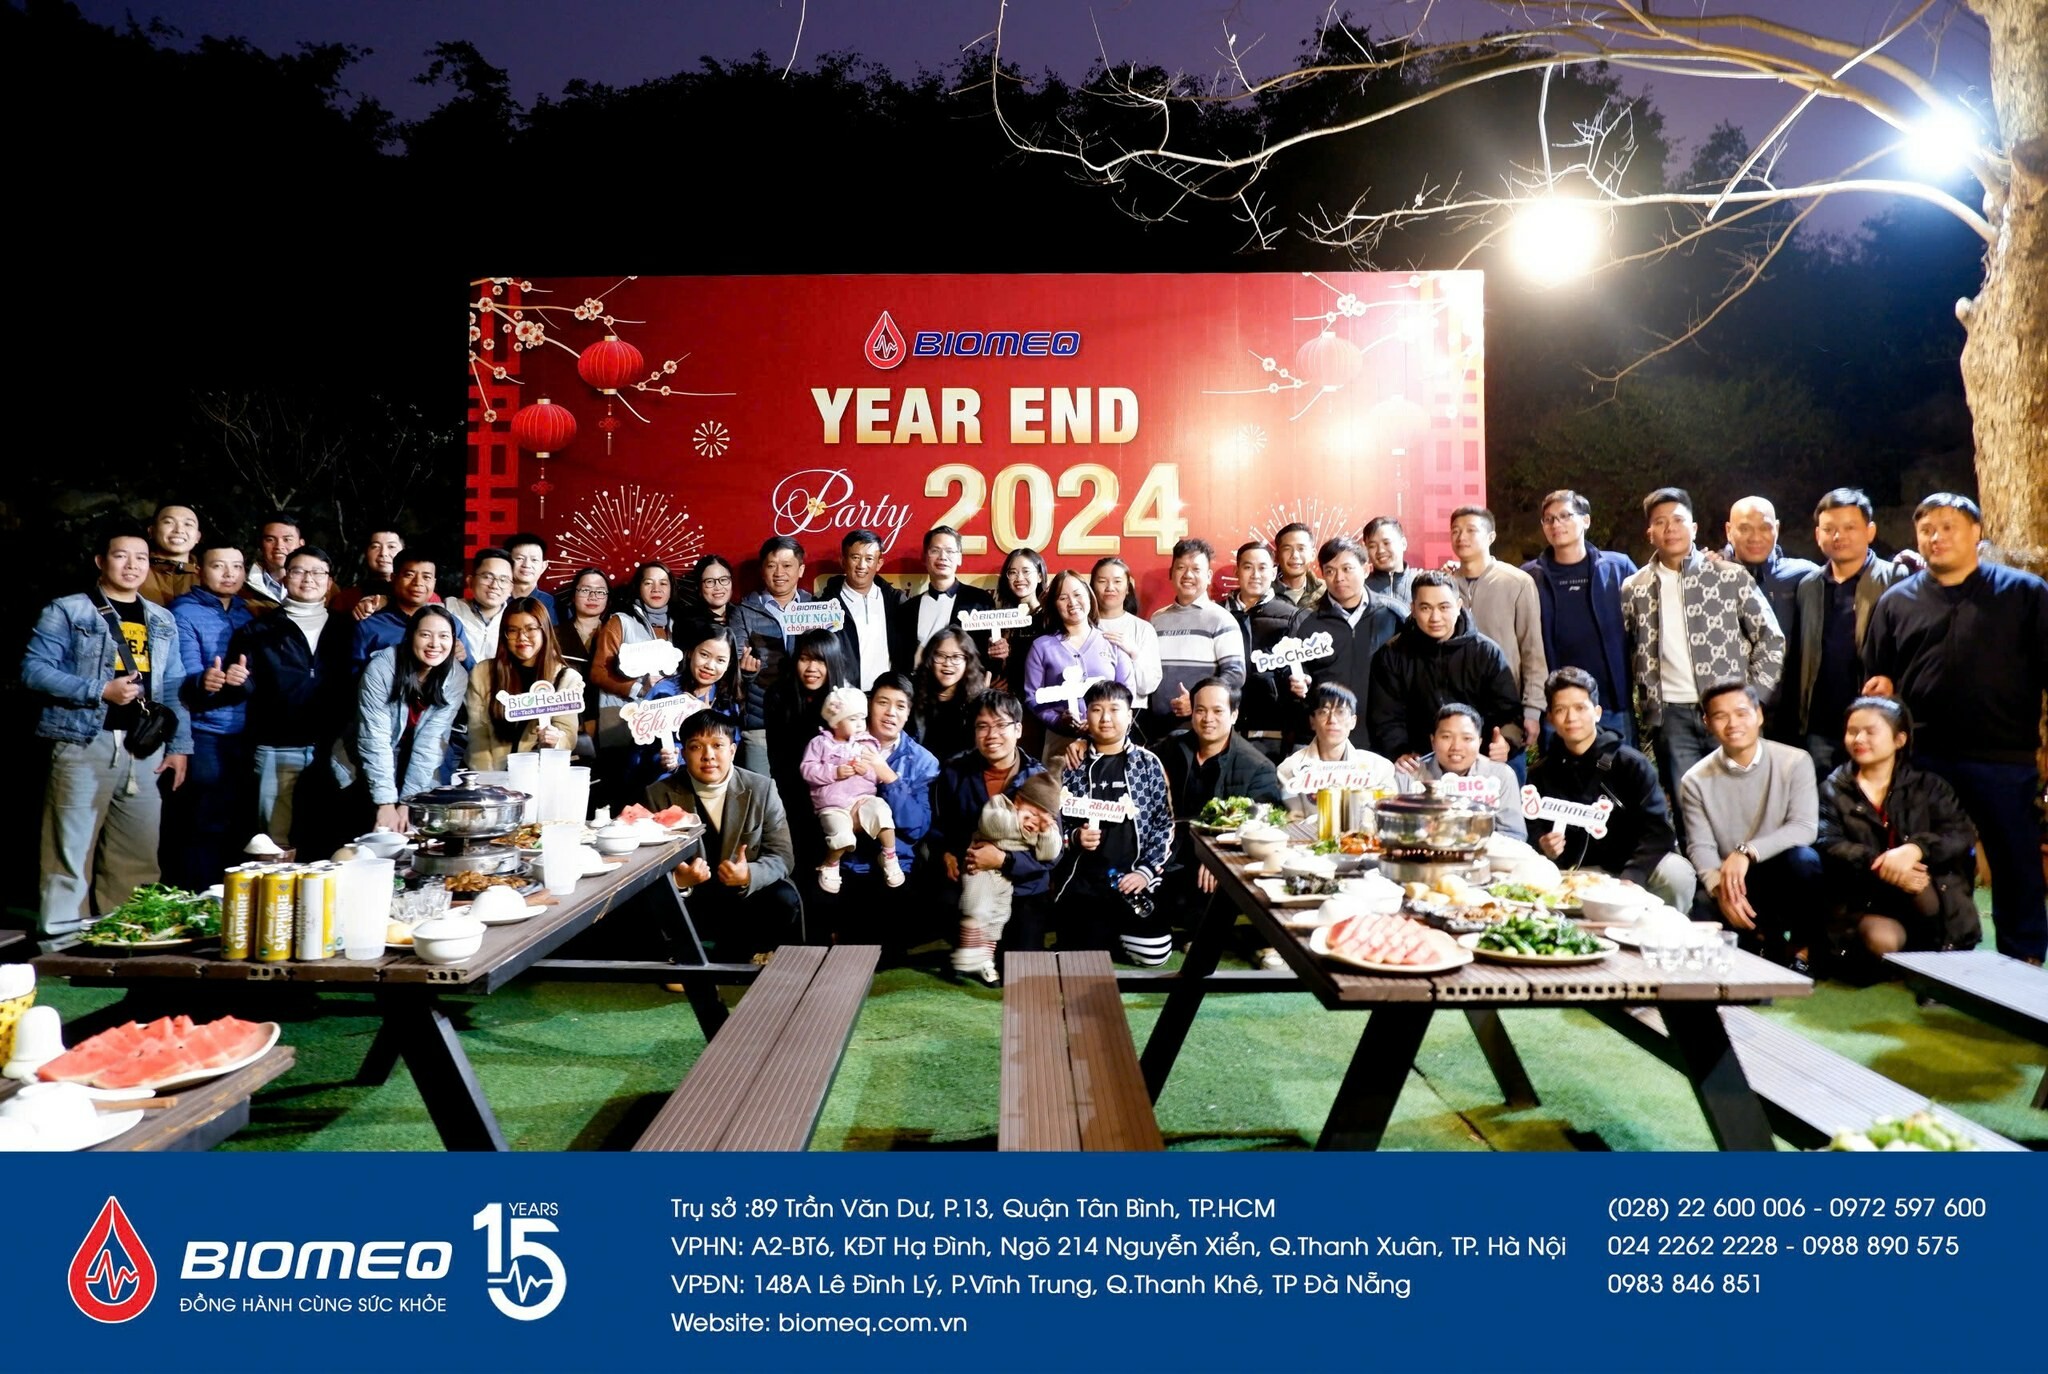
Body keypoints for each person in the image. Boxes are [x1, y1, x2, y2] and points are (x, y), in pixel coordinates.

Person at [1864, 492, 2047, 963]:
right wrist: (1883, 689)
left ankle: (2023, 957)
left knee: (2015, 858)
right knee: (1936, 861)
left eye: (1949, 527)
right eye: (1927, 529)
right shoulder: (1896, 601)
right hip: (1925, 757)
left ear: (1976, 533)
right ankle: (1945, 958)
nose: (1936, 537)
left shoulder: (2024, 593)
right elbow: (1878, 678)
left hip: (2002, 753)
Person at [24, 526, 192, 936]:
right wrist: (100, 690)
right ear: (101, 561)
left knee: (137, 852)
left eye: (141, 558)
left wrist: (179, 746)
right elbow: (34, 670)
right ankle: (63, 942)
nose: (132, 565)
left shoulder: (161, 618)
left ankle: (126, 938)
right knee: (70, 849)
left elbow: (173, 685)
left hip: (144, 748)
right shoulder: (68, 610)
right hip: (83, 741)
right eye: (121, 556)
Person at [1620, 487, 1786, 830]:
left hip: (1729, 709)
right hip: (1671, 716)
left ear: (1693, 528)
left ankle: (1747, 863)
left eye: (1678, 520)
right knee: (1687, 805)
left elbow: (1771, 639)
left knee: (1743, 800)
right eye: (1660, 522)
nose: (1670, 528)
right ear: (1650, 533)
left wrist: (1754, 698)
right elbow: (1627, 648)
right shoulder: (1634, 588)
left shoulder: (1729, 576)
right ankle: (1699, 865)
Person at [1817, 696, 1982, 960]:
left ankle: (1936, 951)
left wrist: (1915, 849)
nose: (1859, 739)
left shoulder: (1930, 787)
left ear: (1899, 739)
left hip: (1927, 893)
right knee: (1882, 941)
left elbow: (1960, 834)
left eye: (1870, 732)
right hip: (1866, 898)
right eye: (1852, 731)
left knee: (1921, 886)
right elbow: (1828, 842)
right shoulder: (1831, 789)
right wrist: (1884, 864)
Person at [1678, 682, 1824, 967]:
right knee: (1703, 912)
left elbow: (1804, 828)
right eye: (1720, 716)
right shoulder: (1695, 780)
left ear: (1759, 715)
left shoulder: (1795, 762)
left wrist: (1746, 852)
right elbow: (1700, 846)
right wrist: (1720, 889)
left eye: (1741, 713)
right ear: (1707, 723)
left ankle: (1802, 951)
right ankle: (1762, 942)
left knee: (1804, 860)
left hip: (1782, 872)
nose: (1733, 723)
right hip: (1735, 882)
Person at [1526, 668, 1696, 912]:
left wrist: (1632, 876)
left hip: (1629, 870)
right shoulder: (1540, 773)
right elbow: (1531, 828)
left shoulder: (1631, 764)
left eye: (1580, 708)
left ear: (1597, 712)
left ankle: (1667, 932)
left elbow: (1659, 831)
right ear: (1550, 718)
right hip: (1574, 874)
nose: (1571, 718)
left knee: (1676, 873)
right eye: (1561, 710)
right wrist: (1544, 844)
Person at [648, 712, 804, 958]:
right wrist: (678, 882)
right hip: (694, 897)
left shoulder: (762, 788)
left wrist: (749, 874)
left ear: (732, 750)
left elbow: (782, 857)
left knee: (783, 897)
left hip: (744, 895)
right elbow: (646, 866)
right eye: (696, 747)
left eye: (718, 745)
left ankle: (754, 957)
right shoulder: (658, 794)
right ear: (683, 753)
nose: (708, 755)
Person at [229, 545, 352, 847]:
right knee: (274, 842)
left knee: (331, 840)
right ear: (285, 578)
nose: (308, 579)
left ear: (329, 581)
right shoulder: (257, 630)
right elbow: (243, 687)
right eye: (299, 571)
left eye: (318, 572)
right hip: (277, 747)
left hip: (334, 751)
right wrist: (236, 682)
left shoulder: (347, 628)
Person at [320, 604, 461, 851]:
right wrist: (385, 803)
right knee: (363, 844)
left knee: (414, 839)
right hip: (364, 764)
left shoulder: (455, 676)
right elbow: (374, 738)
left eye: (443, 636)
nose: (434, 644)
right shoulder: (383, 668)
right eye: (425, 635)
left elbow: (431, 742)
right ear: (410, 636)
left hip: (414, 763)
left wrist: (410, 801)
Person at [1790, 489, 1910, 776]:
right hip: (1820, 726)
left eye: (1849, 527)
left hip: (1875, 721)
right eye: (1829, 529)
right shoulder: (1808, 586)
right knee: (1825, 799)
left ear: (1870, 531)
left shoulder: (1896, 579)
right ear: (1817, 534)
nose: (1838, 536)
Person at [1054, 681, 1174, 965]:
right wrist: (1074, 837)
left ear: (1130, 715)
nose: (1105, 718)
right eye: (1096, 710)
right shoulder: (1071, 764)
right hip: (1085, 880)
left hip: (1134, 878)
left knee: (1153, 954)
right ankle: (1100, 934)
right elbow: (1052, 824)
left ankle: (1113, 934)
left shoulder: (1148, 764)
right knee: (1080, 957)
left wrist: (1145, 872)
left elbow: (1164, 823)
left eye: (1114, 709)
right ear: (1087, 715)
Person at [930, 692, 1053, 967]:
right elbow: (940, 825)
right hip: (971, 878)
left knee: (1021, 967)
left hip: (1024, 886)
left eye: (1000, 725)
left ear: (1018, 729)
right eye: (982, 726)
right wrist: (946, 854)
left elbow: (1053, 854)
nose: (991, 735)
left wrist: (1004, 860)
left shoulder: (1039, 779)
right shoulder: (955, 771)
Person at [165, 539, 254, 888]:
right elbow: (181, 675)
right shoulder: (183, 612)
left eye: (237, 566)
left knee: (237, 823)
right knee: (202, 823)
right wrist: (205, 680)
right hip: (203, 732)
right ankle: (198, 897)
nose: (229, 573)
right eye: (219, 566)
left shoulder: (247, 611)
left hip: (243, 732)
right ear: (199, 570)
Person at [1367, 572, 1521, 769]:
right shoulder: (1391, 655)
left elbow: (1509, 711)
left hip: (1478, 763)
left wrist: (1505, 741)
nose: (1435, 617)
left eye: (1444, 607)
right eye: (1425, 608)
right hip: (1417, 765)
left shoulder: (1486, 652)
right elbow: (1385, 717)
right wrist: (1399, 751)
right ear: (1413, 609)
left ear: (1458, 606)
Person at [1522, 489, 1637, 745]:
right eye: (1549, 519)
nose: (1556, 524)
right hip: (1558, 708)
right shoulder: (1529, 577)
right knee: (1562, 771)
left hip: (1612, 702)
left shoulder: (1617, 568)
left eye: (1565, 516)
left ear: (1586, 520)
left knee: (1616, 769)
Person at [1444, 506, 1545, 777]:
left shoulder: (1517, 582)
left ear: (1491, 536)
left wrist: (1532, 711)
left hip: (1505, 716)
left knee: (1505, 792)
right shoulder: (1444, 586)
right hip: (1454, 720)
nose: (1461, 537)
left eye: (1471, 530)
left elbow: (1532, 651)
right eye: (1455, 531)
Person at [835, 673, 940, 925]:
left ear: (908, 712)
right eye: (883, 702)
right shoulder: (839, 745)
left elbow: (916, 828)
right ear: (869, 705)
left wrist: (889, 777)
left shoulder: (924, 761)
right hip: (846, 860)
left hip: (896, 865)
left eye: (900, 706)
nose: (891, 712)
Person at [1286, 536, 1401, 749]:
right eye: (1330, 571)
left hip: (1381, 740)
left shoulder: (1393, 614)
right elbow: (1291, 670)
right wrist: (1297, 682)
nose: (1339, 578)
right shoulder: (1305, 619)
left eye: (1347, 569)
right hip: (1323, 739)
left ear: (1365, 570)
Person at [953, 772, 1063, 984]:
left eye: (1042, 819)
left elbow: (1049, 855)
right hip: (982, 870)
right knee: (978, 907)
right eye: (1031, 813)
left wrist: (1046, 831)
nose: (1034, 822)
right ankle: (968, 953)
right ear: (1018, 801)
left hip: (1009, 880)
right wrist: (1021, 822)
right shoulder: (1001, 805)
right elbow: (992, 827)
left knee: (999, 916)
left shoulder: (1046, 823)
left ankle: (984, 960)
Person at [798, 686, 905, 894]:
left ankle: (889, 855)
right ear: (836, 722)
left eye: (862, 719)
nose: (860, 725)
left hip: (863, 799)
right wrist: (835, 772)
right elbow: (807, 770)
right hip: (833, 805)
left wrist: (866, 771)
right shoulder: (819, 744)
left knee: (882, 813)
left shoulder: (867, 744)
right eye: (853, 719)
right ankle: (831, 863)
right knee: (841, 836)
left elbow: (876, 777)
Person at [1021, 570, 1134, 767]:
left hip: (1109, 740)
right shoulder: (1041, 647)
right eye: (1063, 598)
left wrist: (1099, 721)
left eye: (1077, 594)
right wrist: (1058, 721)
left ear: (1089, 596)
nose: (1072, 602)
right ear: (1055, 605)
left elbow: (1127, 692)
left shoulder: (1112, 642)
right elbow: (1032, 696)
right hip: (1060, 745)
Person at [1722, 496, 1818, 726]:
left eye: (1765, 528)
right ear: (1729, 531)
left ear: (1777, 528)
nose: (1756, 537)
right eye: (1745, 528)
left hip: (1791, 713)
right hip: (1731, 714)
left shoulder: (1804, 575)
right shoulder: (1711, 578)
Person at [463, 596, 583, 770]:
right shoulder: (483, 673)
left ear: (544, 630)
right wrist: (489, 779)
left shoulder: (567, 678)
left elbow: (568, 735)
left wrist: (555, 741)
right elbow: (477, 735)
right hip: (492, 776)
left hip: (539, 774)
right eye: (513, 630)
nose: (522, 637)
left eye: (530, 629)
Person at [733, 536, 819, 777]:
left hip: (807, 720)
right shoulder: (744, 611)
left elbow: (827, 656)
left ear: (800, 570)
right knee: (762, 791)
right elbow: (735, 664)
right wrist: (747, 672)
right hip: (761, 722)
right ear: (762, 570)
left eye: (787, 565)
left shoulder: (816, 607)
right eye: (772, 566)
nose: (779, 573)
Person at [1147, 538, 1246, 741]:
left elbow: (1235, 674)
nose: (1188, 575)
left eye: (1196, 569)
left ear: (1208, 576)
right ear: (1171, 574)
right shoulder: (1157, 619)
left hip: (1202, 729)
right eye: (1181, 568)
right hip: (1157, 730)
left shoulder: (1221, 619)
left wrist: (1196, 700)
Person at [589, 560, 675, 777]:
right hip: (622, 722)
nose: (656, 589)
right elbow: (598, 672)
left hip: (664, 723)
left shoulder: (677, 625)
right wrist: (639, 688)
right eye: (648, 583)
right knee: (624, 786)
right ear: (638, 587)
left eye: (663, 583)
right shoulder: (620, 622)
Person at [1395, 704, 1526, 841]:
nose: (1456, 747)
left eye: (1467, 738)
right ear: (1433, 741)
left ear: (1479, 742)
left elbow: (1514, 834)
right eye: (1446, 737)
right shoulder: (1409, 774)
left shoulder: (1500, 776)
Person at [1225, 540, 1301, 762]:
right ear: (1237, 571)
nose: (1255, 575)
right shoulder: (1218, 614)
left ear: (1274, 572)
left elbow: (1302, 669)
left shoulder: (1291, 616)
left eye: (1262, 567)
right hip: (1223, 726)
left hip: (1272, 733)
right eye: (1248, 567)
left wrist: (1301, 682)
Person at [1278, 684, 1399, 815]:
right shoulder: (1289, 770)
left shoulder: (1379, 769)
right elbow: (1294, 820)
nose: (1332, 720)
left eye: (1340, 712)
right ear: (1312, 721)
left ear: (1353, 721)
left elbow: (1388, 817)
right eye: (1323, 712)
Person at [890, 525, 994, 671]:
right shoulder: (908, 609)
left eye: (950, 551)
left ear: (959, 558)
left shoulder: (980, 601)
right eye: (935, 550)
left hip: (965, 683)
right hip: (918, 683)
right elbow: (900, 659)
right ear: (924, 558)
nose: (942, 557)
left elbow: (988, 654)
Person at [353, 552, 472, 674]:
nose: (418, 582)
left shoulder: (452, 624)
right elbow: (354, 676)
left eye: (426, 577)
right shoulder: (369, 625)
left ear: (434, 582)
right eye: (409, 575)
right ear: (393, 578)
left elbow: (472, 673)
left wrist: (463, 657)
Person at [825, 529, 900, 690]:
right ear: (843, 561)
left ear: (879, 563)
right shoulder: (826, 605)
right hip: (844, 697)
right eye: (855, 557)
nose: (861, 566)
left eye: (869, 559)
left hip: (886, 695)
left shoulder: (895, 601)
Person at [1089, 556, 1162, 708]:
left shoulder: (1143, 629)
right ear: (1092, 587)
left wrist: (1134, 653)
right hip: (1090, 710)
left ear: (1128, 587)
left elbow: (1148, 686)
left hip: (1132, 711)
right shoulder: (1082, 626)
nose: (1110, 587)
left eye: (1117, 581)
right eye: (1102, 581)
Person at [910, 627, 989, 764]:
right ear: (930, 659)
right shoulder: (911, 695)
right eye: (940, 656)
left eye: (956, 657)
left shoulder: (977, 703)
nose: (947, 663)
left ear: (967, 661)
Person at [553, 566, 611, 750]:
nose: (593, 596)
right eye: (585, 590)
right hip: (567, 725)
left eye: (600, 591)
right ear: (573, 595)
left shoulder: (618, 634)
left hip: (610, 724)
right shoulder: (554, 636)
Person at [985, 546, 1047, 695]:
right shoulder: (1000, 618)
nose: (1019, 578)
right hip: (1006, 701)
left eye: (1026, 571)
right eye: (1012, 572)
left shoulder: (1049, 618)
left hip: (1038, 698)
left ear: (1039, 576)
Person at [445, 546, 514, 663]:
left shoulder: (515, 621)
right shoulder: (449, 609)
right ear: (470, 581)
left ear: (511, 588)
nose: (494, 586)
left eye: (503, 580)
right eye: (487, 577)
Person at [332, 529, 409, 620]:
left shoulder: (416, 594)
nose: (383, 553)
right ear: (366, 552)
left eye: (391, 546)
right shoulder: (346, 598)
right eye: (375, 546)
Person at [138, 502, 202, 607]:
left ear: (197, 537)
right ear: (151, 531)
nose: (179, 530)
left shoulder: (207, 578)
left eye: (188, 524)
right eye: (169, 522)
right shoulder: (134, 570)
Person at [242, 512, 306, 611]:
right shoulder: (242, 589)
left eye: (287, 539)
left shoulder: (322, 587)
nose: (279, 546)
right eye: (270, 540)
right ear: (261, 545)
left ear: (301, 544)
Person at [1361, 515, 1418, 616]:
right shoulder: (1361, 587)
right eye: (1372, 546)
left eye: (1386, 543)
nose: (1380, 551)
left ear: (1403, 544)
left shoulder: (1421, 583)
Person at [1272, 522, 1326, 610]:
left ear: (1313, 555)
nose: (1295, 555)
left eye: (1301, 549)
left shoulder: (1327, 591)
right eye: (1287, 549)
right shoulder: (1264, 592)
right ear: (1277, 556)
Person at [503, 532, 555, 621]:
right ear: (507, 562)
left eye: (534, 560)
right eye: (520, 558)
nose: (526, 565)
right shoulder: (497, 599)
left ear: (543, 566)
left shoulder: (554, 605)